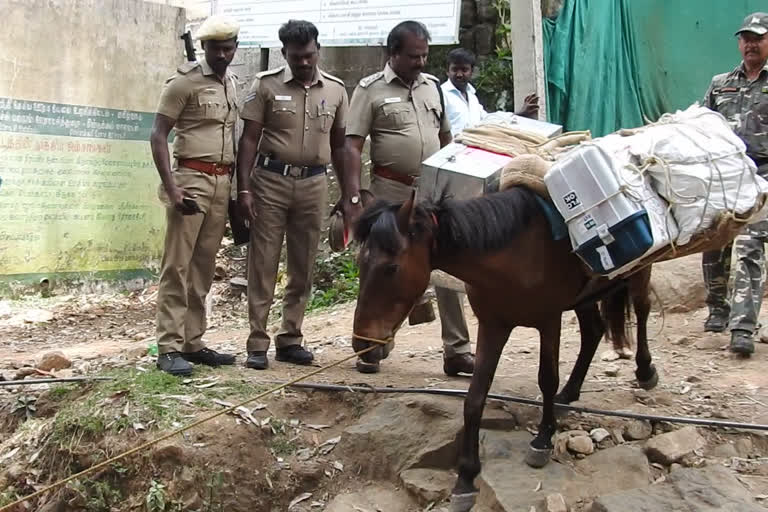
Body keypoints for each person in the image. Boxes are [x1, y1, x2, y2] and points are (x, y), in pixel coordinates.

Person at [343, 21, 475, 376]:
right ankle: (372, 344)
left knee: (446, 266)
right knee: (381, 268)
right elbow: (353, 144)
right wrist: (354, 197)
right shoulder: (370, 90)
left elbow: (447, 138)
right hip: (391, 192)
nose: (420, 62)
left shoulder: (434, 87)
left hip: (432, 192)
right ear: (393, 54)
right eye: (414, 56)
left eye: (424, 56)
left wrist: (454, 182)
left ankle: (457, 350)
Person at [236, 20, 351, 370]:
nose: (304, 62)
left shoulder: (335, 89)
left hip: (314, 184)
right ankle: (257, 342)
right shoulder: (265, 85)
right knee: (264, 262)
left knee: (303, 264)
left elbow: (341, 145)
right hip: (270, 181)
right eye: (297, 56)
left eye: (310, 55)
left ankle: (291, 338)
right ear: (285, 53)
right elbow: (249, 140)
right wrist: (244, 189)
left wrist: (349, 194)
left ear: (318, 50)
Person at [150, 15, 240, 375]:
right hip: (190, 179)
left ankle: (193, 341)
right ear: (204, 47)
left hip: (222, 183)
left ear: (236, 47)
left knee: (203, 266)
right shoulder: (183, 83)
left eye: (228, 47)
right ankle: (168, 347)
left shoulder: (232, 83)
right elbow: (158, 135)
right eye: (216, 47)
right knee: (177, 265)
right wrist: (172, 188)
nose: (223, 54)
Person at [701, 12, 768, 355]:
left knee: (749, 247)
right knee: (712, 241)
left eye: (758, 37)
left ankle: (742, 328)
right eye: (745, 38)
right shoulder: (720, 83)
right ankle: (718, 310)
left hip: (763, 176)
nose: (750, 44)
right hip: (725, 174)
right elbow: (700, 123)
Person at [441, 48, 540, 137]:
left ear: (471, 71)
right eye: (454, 69)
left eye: (464, 70)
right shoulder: (441, 95)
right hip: (451, 153)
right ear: (447, 71)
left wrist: (519, 114)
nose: (459, 74)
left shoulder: (471, 96)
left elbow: (487, 119)